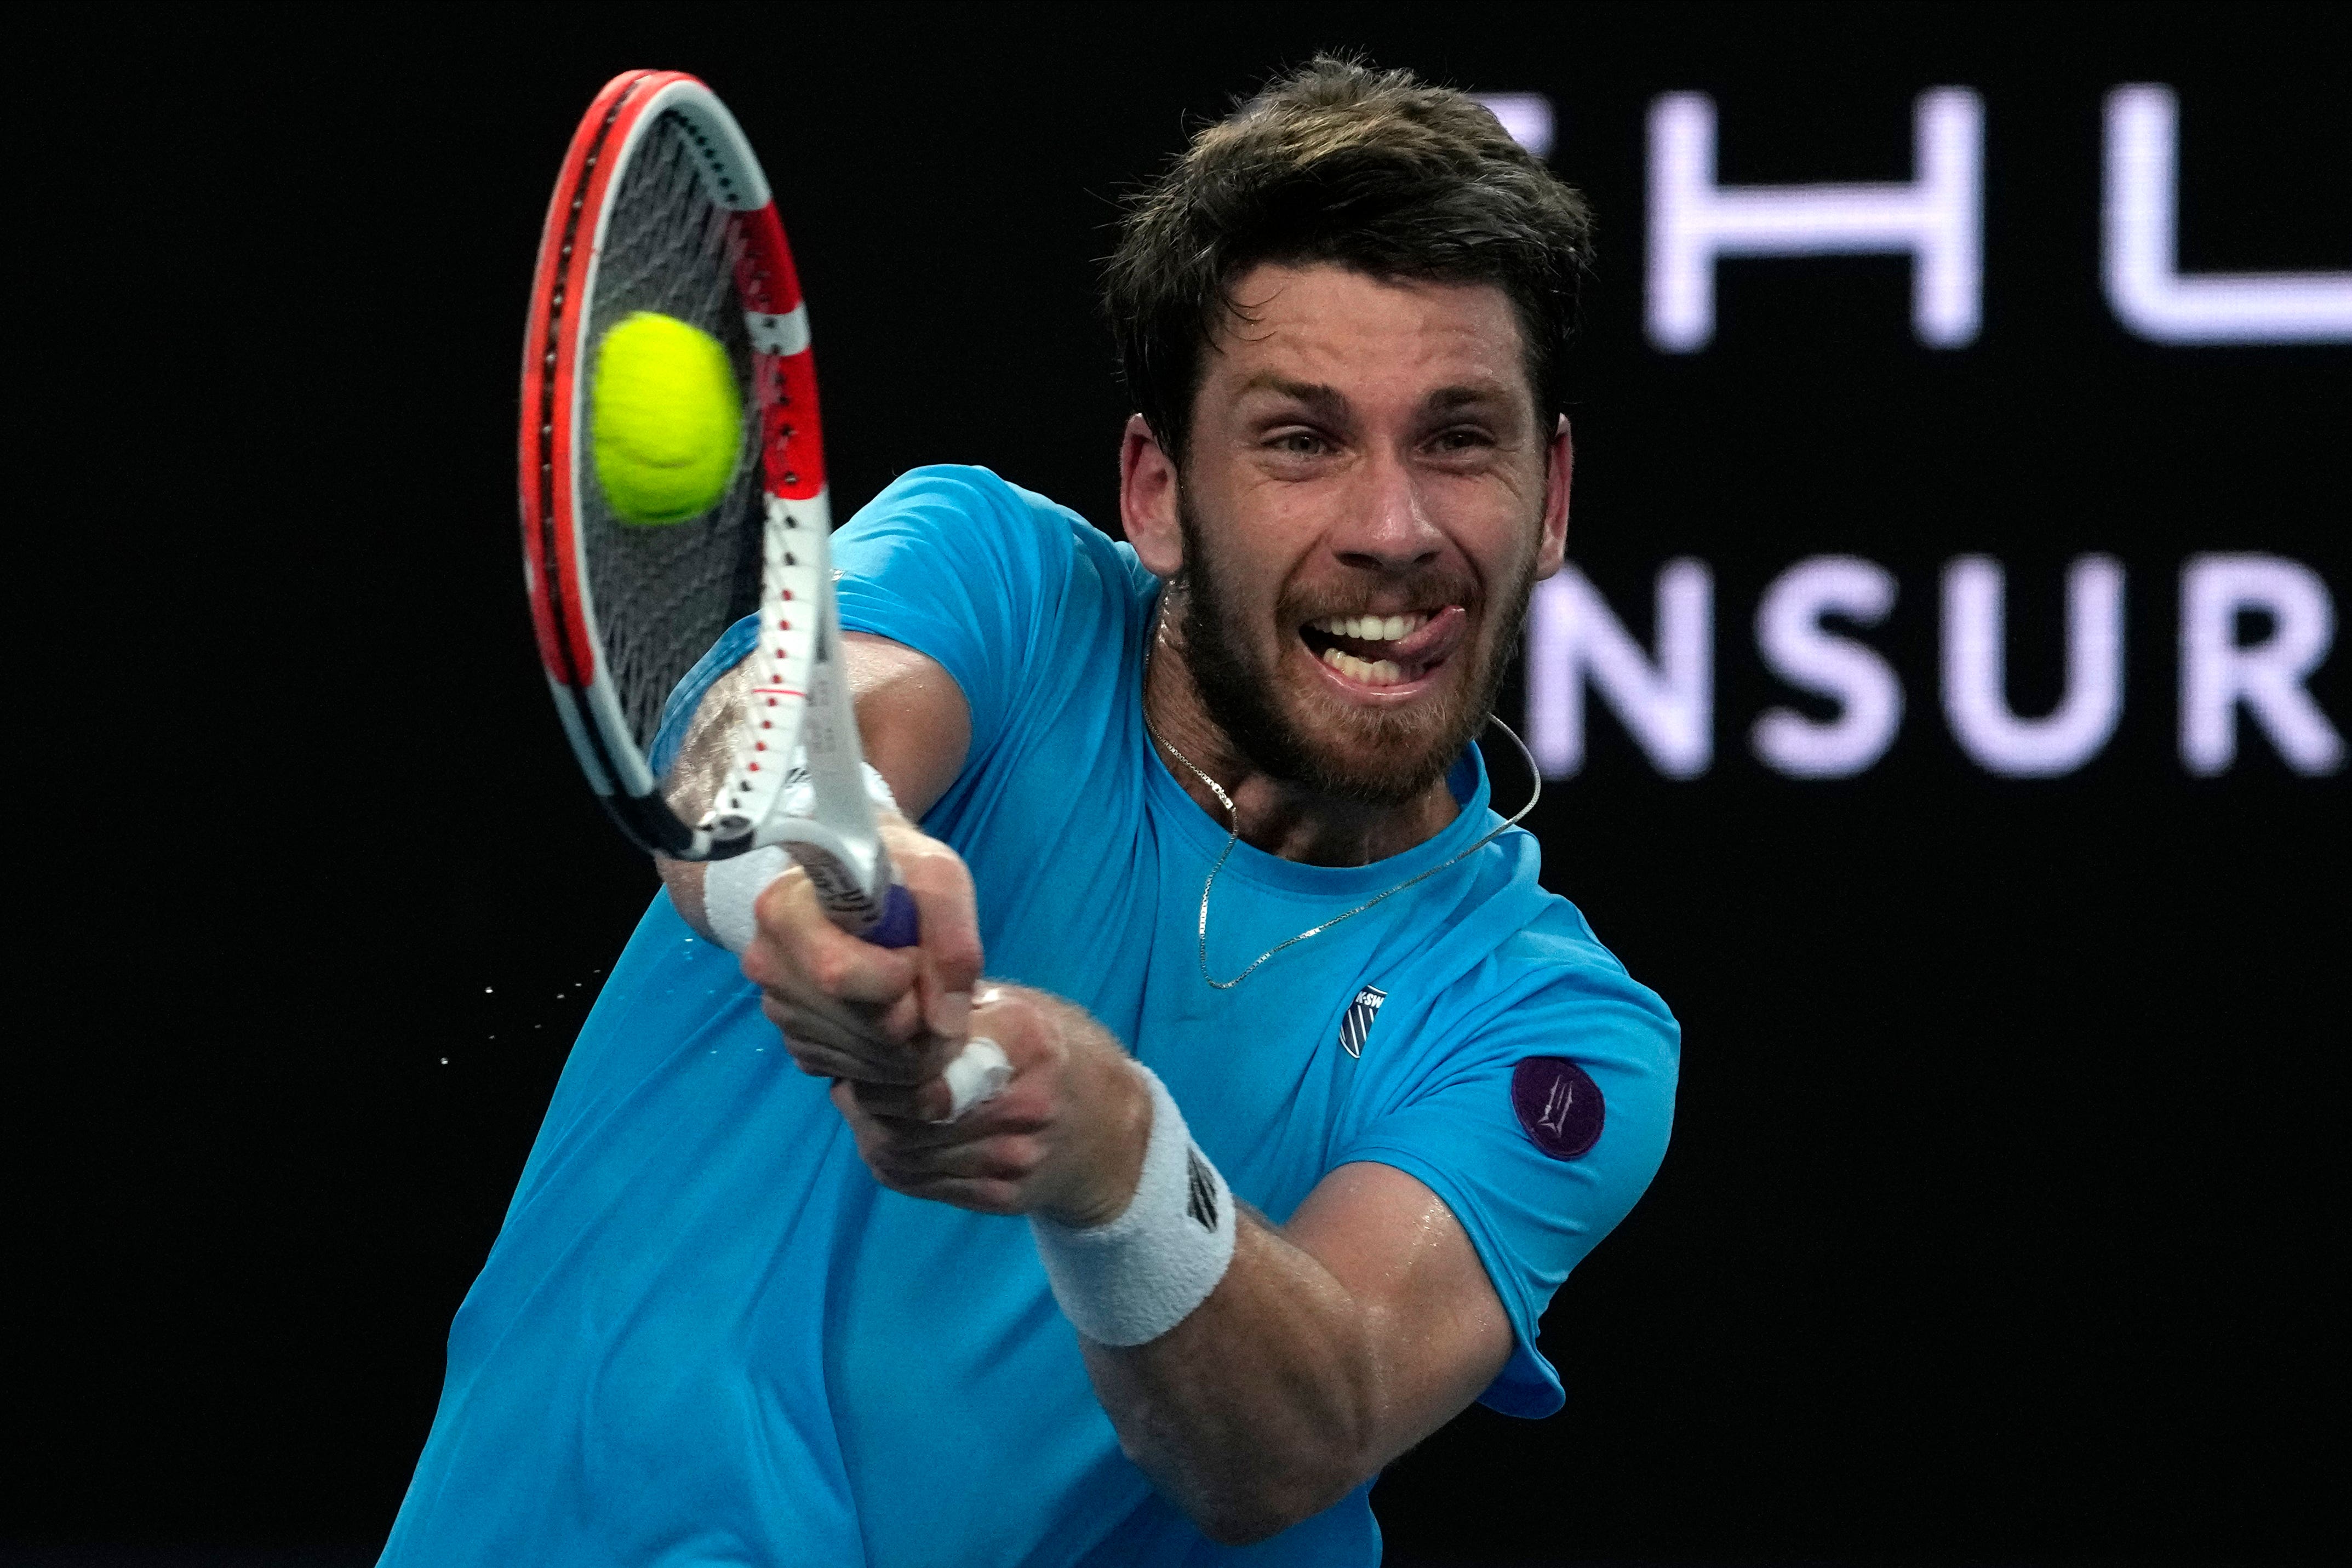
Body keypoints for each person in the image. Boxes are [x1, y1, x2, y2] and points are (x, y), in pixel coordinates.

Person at [382, 56, 1677, 1567]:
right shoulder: (990, 569)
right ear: (1156, 490)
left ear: (1554, 492)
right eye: (1301, 439)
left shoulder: (1552, 1027)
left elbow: (1304, 1439)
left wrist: (1117, 1164)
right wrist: (826, 888)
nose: (1393, 529)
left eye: (1459, 437)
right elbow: (792, 748)